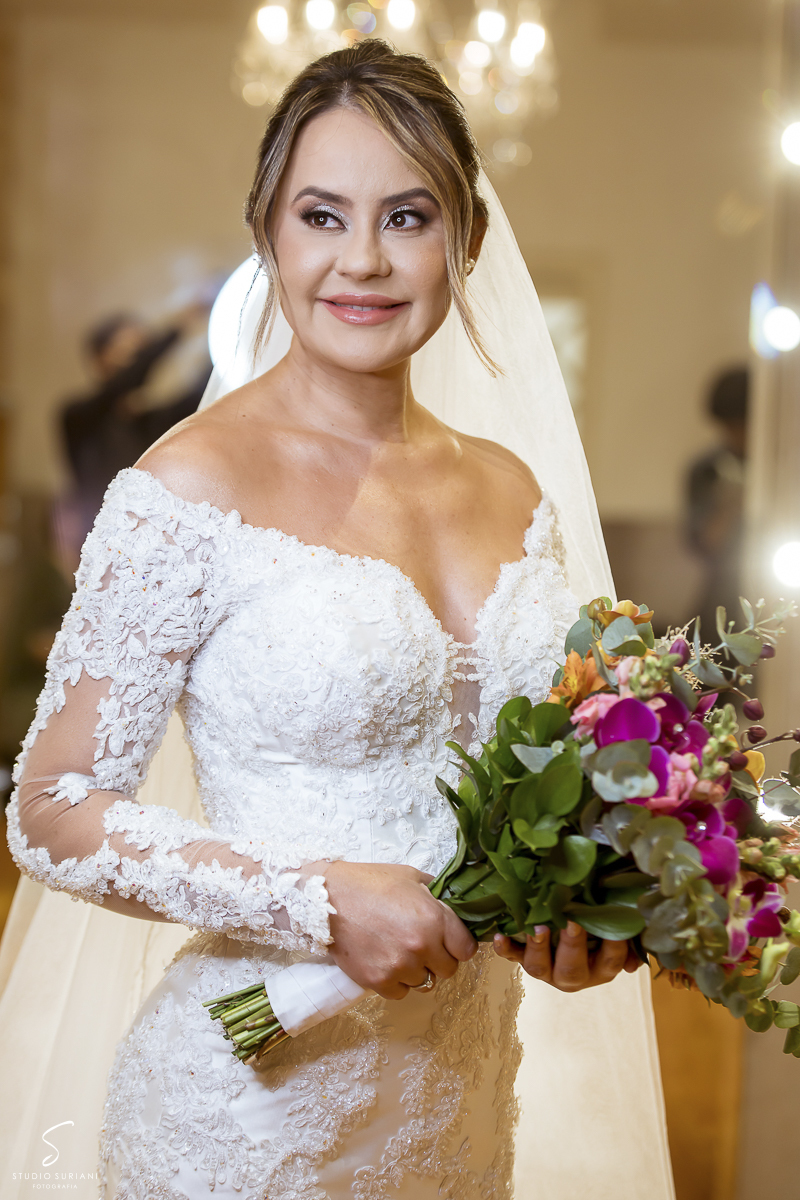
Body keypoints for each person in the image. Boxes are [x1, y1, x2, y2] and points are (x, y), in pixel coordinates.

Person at [4, 42, 673, 1197]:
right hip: (245, 1110)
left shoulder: (514, 490)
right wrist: (316, 898)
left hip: (457, 1108)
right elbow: (50, 807)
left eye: (407, 217)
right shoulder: (187, 489)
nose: (360, 259)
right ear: (267, 234)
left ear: (464, 242)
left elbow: (542, 781)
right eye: (322, 216)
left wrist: (578, 914)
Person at [56, 304, 212, 566]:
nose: (140, 359)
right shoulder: (78, 417)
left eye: (144, 350)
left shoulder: (152, 421)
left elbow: (198, 396)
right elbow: (128, 380)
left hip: (155, 555)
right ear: (100, 358)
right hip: (102, 557)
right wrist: (180, 325)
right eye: (133, 351)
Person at [685, 366, 749, 640]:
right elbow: (703, 543)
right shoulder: (707, 469)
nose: (736, 435)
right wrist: (730, 503)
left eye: (742, 424)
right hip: (724, 594)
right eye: (729, 426)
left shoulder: (784, 465)